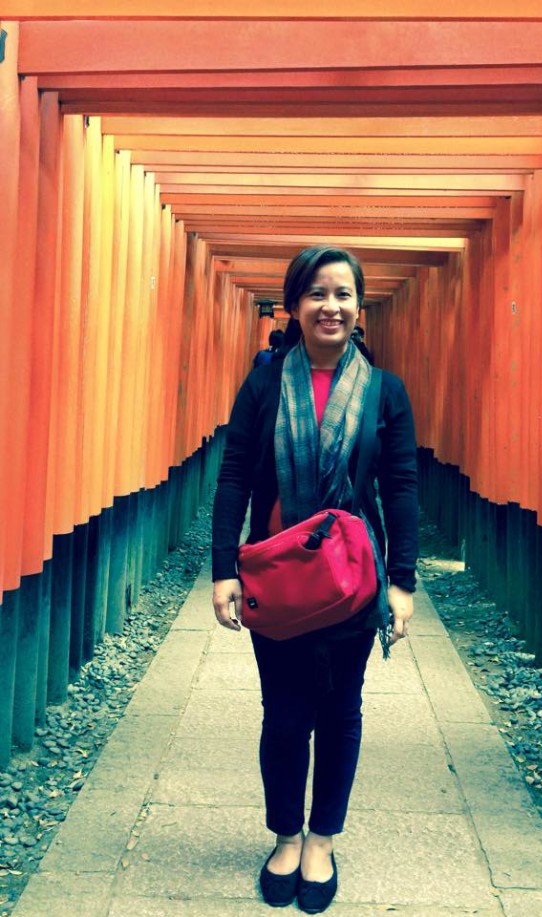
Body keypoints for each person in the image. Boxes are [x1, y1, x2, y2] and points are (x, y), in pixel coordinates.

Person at [211, 245, 418, 914]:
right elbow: (236, 473)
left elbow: (403, 486)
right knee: (285, 711)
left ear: (360, 307)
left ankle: (323, 838)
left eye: (344, 294)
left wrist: (403, 580)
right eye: (318, 293)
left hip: (354, 580)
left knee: (340, 709)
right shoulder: (264, 383)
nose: (332, 306)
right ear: (294, 305)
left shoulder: (386, 391)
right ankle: (284, 835)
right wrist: (223, 570)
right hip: (277, 576)